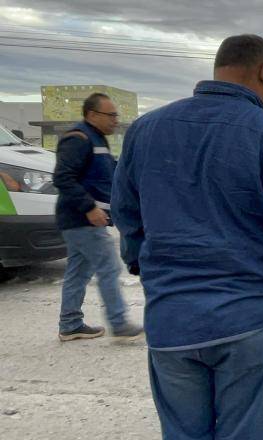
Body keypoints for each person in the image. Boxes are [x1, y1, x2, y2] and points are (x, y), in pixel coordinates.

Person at [111, 34, 263, 439]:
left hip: (171, 322)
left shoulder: (145, 130)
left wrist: (148, 268)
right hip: (249, 321)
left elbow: (127, 217)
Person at [53, 93, 143, 342]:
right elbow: (62, 177)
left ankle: (70, 324)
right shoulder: (79, 139)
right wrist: (89, 207)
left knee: (78, 272)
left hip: (81, 219)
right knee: (109, 267)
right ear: (92, 115)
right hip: (82, 219)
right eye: (110, 115)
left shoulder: (97, 140)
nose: (115, 120)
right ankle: (119, 323)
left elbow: (110, 175)